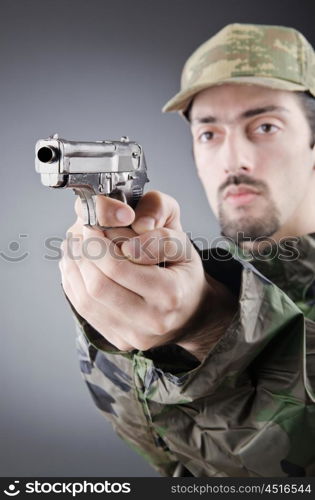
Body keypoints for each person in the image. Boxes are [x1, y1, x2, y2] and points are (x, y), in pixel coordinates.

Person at [59, 23, 315, 477]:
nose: (232, 159)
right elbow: (173, 462)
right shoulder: (223, 274)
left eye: (265, 126)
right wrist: (160, 331)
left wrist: (213, 326)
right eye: (208, 134)